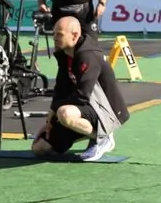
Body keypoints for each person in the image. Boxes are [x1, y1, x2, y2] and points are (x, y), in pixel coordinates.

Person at [31, 16, 129, 162]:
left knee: (64, 114)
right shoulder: (64, 54)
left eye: (59, 34)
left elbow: (82, 95)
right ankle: (90, 133)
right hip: (82, 110)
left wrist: (57, 114)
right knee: (40, 147)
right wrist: (49, 121)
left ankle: (104, 137)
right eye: (54, 34)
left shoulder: (88, 55)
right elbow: (61, 88)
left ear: (75, 35)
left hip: (105, 112)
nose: (54, 38)